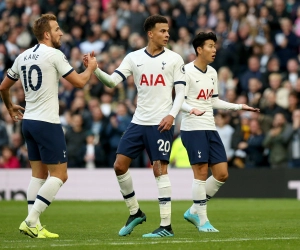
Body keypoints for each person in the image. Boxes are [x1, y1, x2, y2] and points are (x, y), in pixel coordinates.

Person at [84, 14, 185, 237]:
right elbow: (112, 82)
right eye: (162, 31)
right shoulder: (133, 58)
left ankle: (166, 226)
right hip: (138, 122)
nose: (167, 34)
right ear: (150, 33)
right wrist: (95, 69)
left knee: (159, 171)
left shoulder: (175, 59)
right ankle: (135, 212)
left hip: (161, 123)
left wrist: (171, 115)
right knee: (119, 166)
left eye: (168, 31)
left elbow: (181, 93)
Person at [0, 13, 97, 238]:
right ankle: (31, 220)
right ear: (46, 34)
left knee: (38, 175)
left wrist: (10, 107)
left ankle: (35, 226)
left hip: (29, 123)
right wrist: (91, 67)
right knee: (60, 175)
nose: (61, 32)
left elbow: (3, 87)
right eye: (56, 29)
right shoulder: (54, 54)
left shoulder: (22, 56)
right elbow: (80, 82)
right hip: (47, 122)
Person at [180, 32, 259, 232]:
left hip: (209, 127)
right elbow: (177, 101)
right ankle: (203, 221)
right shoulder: (185, 71)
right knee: (200, 173)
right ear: (199, 49)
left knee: (222, 174)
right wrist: (192, 109)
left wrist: (239, 106)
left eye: (215, 46)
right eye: (210, 46)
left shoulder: (213, 73)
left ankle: (193, 210)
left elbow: (213, 101)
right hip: (192, 128)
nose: (214, 49)